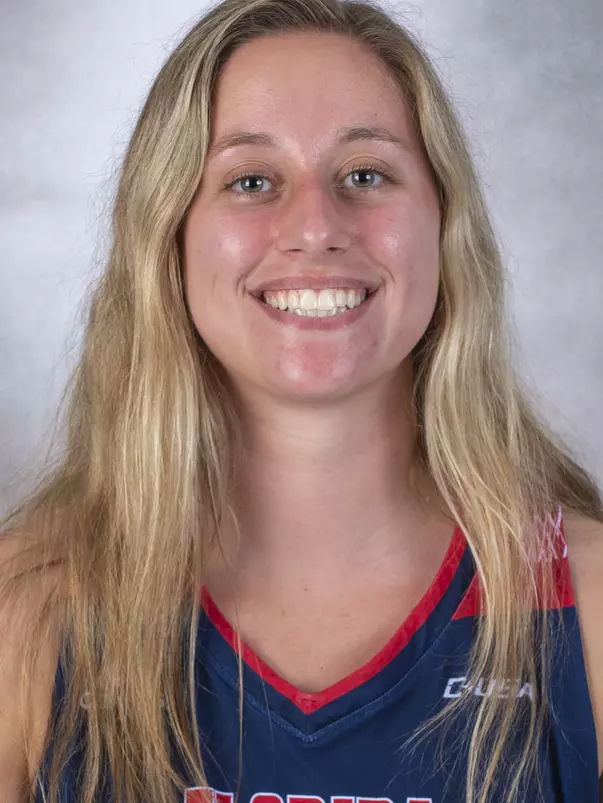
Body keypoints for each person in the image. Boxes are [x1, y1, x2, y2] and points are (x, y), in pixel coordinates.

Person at [0, 0, 602, 800]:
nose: (315, 225)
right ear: (168, 236)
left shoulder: (585, 604)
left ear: (443, 223)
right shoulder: (30, 608)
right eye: (251, 180)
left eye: (365, 174)